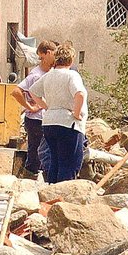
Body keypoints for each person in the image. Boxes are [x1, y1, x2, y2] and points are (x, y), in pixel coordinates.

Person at [29, 44, 88, 183]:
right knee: (69, 163)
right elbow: (79, 94)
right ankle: (63, 197)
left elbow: (33, 91)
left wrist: (47, 107)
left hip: (49, 122)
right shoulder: (71, 75)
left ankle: (52, 192)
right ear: (71, 60)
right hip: (68, 123)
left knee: (55, 162)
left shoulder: (48, 75)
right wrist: (77, 113)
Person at [10, 40, 57, 178]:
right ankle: (30, 177)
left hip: (46, 119)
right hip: (36, 120)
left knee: (44, 152)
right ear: (48, 53)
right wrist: (30, 106)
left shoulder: (53, 72)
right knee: (36, 153)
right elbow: (16, 91)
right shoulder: (36, 75)